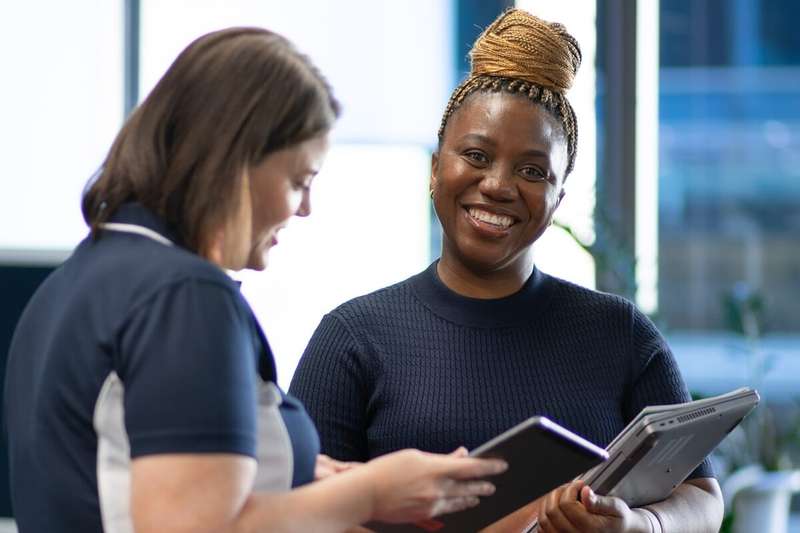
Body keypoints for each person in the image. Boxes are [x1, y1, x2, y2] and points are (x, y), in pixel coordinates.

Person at [2, 27, 509, 533]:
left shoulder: (74, 282)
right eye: (299, 182)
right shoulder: (185, 297)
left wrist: (291, 467)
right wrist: (371, 493)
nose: (304, 209)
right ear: (236, 159)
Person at [290, 9, 724, 533]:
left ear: (558, 197)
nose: (498, 185)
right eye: (476, 155)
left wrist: (639, 527)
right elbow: (300, 515)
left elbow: (702, 495)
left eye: (532, 171)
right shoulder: (353, 338)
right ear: (435, 168)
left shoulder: (620, 334)